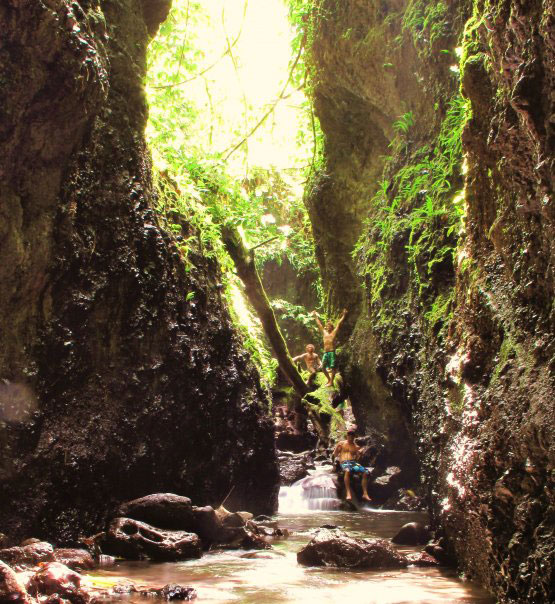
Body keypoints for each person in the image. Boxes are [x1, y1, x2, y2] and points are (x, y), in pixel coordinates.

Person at [332, 427, 372, 502]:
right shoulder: (341, 443)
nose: (350, 436)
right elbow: (335, 454)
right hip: (344, 463)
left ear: (354, 437)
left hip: (353, 463)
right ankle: (348, 493)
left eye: (352, 435)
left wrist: (360, 453)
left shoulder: (356, 446)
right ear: (347, 436)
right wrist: (337, 448)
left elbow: (357, 457)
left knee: (365, 472)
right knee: (348, 470)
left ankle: (365, 493)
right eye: (349, 435)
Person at [311, 308, 347, 387]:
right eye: (326, 326)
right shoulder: (324, 333)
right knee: (323, 368)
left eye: (328, 326)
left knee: (332, 368)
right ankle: (328, 379)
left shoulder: (333, 333)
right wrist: (315, 317)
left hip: (331, 352)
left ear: (331, 327)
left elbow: (339, 324)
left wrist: (344, 315)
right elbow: (319, 325)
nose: (327, 327)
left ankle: (331, 381)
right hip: (325, 353)